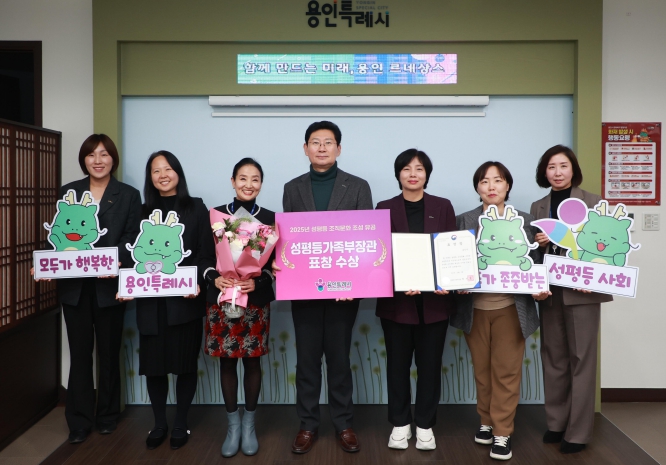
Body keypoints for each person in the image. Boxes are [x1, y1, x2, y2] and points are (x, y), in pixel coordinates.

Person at [274, 121, 372, 454]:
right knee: (307, 361)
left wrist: (356, 283)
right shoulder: (292, 188)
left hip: (344, 292)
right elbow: (290, 240)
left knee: (340, 359)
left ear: (338, 148)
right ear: (305, 149)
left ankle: (344, 423)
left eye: (328, 142)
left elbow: (365, 238)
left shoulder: (358, 186)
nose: (321, 147)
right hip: (305, 291)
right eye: (315, 142)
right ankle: (307, 425)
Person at [451, 161, 549, 461]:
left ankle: (503, 431)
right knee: (482, 371)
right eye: (484, 181)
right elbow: (451, 263)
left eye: (497, 180)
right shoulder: (464, 220)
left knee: (506, 372)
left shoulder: (527, 221)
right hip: (475, 309)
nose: (491, 186)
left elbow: (537, 265)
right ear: (477, 187)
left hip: (511, 308)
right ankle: (486, 421)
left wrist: (540, 286)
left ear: (508, 185)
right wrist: (456, 284)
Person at [52, 134, 141, 444]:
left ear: (113, 159)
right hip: (74, 288)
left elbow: (132, 238)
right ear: (84, 160)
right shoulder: (68, 192)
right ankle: (78, 420)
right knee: (79, 354)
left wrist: (112, 261)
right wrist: (49, 261)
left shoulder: (128, 195)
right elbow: (58, 234)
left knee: (108, 352)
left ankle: (107, 415)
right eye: (91, 155)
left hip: (109, 287)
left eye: (104, 154)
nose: (98, 160)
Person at [123, 151, 213, 450]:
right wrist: (125, 282)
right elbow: (131, 255)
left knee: (185, 365)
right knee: (154, 366)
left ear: (178, 173)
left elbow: (205, 254)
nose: (162, 175)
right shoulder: (141, 211)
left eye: (168, 169)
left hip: (185, 302)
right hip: (151, 305)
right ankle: (159, 423)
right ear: (150, 177)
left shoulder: (196, 207)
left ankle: (181, 423)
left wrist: (196, 282)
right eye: (156, 170)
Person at [530, 145, 612, 454]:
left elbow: (606, 244)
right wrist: (539, 245)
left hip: (583, 292)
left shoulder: (593, 202)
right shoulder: (538, 206)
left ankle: (578, 433)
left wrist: (594, 276)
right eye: (551, 166)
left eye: (563, 165)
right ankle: (557, 423)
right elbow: (533, 253)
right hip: (550, 291)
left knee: (582, 361)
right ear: (544, 172)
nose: (558, 172)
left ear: (573, 169)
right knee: (553, 359)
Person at [375, 149, 456, 451]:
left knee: (430, 367)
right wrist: (400, 281)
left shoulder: (442, 206)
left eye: (419, 169)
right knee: (397, 366)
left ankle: (424, 425)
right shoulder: (384, 208)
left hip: (434, 305)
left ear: (427, 174)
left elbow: (451, 249)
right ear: (398, 174)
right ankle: (399, 424)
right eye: (407, 168)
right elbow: (378, 254)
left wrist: (448, 281)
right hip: (397, 304)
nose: (413, 174)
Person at [204, 158, 275, 457]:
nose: (248, 184)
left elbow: (275, 265)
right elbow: (204, 257)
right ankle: (233, 426)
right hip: (222, 298)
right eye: (242, 178)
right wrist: (214, 277)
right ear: (233, 181)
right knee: (227, 362)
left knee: (253, 361)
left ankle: (249, 425)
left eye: (255, 179)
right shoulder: (216, 216)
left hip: (254, 301)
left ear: (261, 184)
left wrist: (257, 282)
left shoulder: (270, 218)